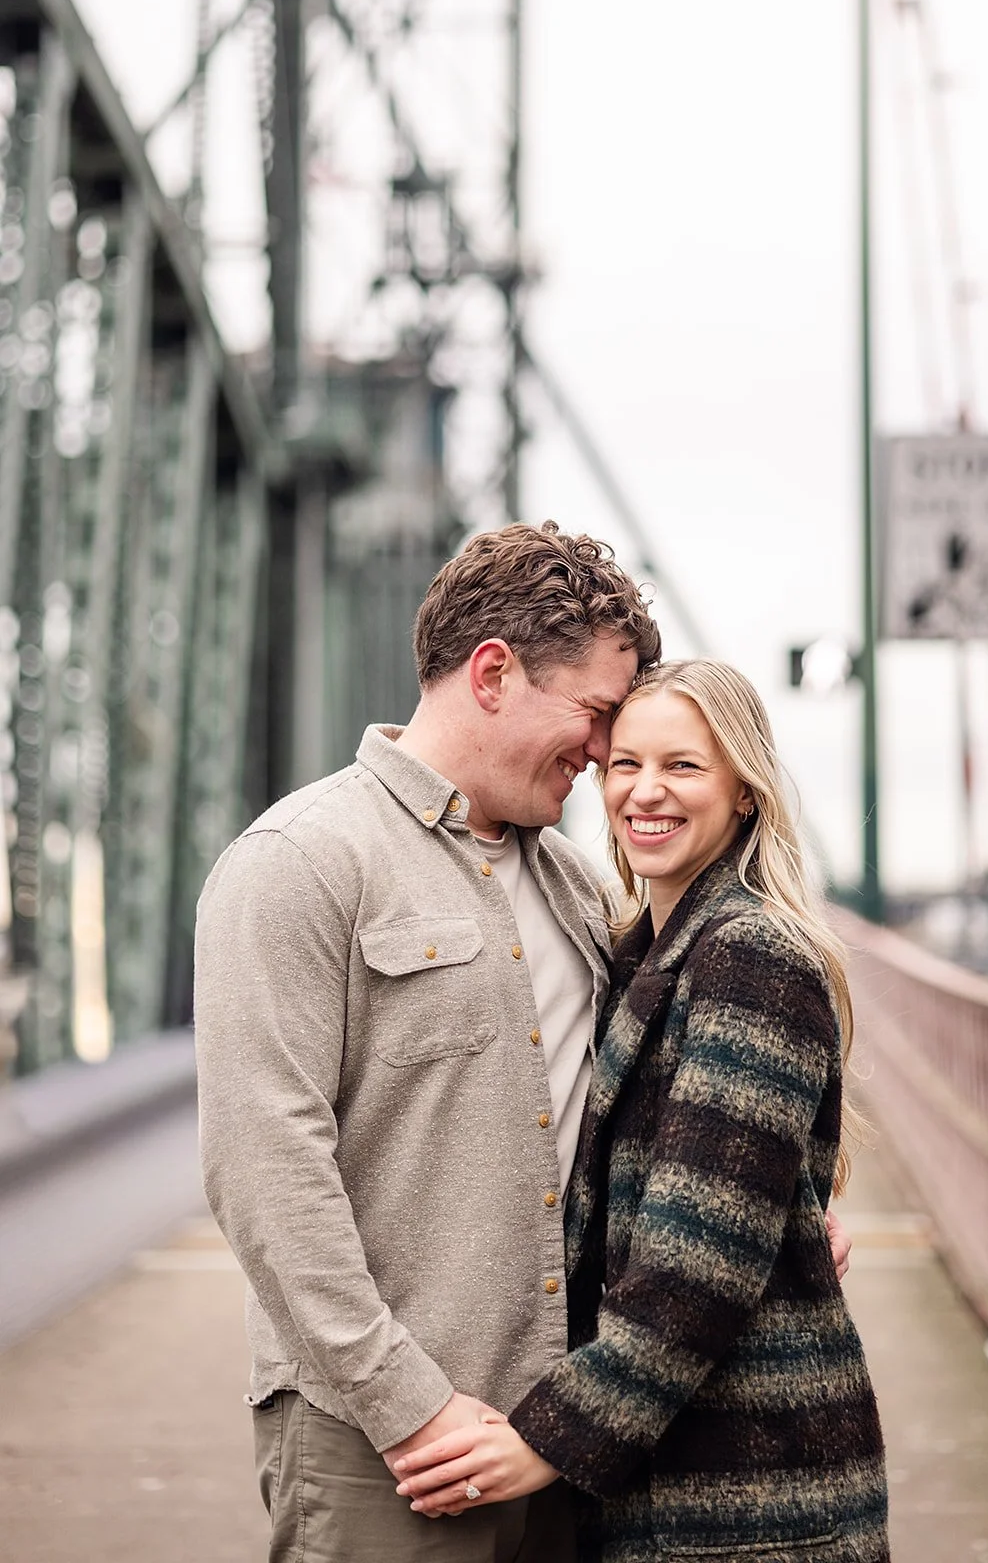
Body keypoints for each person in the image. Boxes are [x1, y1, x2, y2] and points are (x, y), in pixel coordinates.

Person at [194, 521, 661, 1563]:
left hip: (557, 1436)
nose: (602, 754)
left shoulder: (577, 885)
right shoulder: (298, 863)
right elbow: (262, 1167)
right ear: (493, 673)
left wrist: (790, 1208)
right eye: (594, 713)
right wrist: (407, 1404)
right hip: (378, 1444)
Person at [392, 659, 891, 1563]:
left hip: (749, 1495)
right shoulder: (638, 951)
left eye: (682, 766)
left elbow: (701, 1256)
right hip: (673, 1489)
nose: (644, 791)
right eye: (624, 763)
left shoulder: (749, 955)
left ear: (744, 792)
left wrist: (547, 1440)